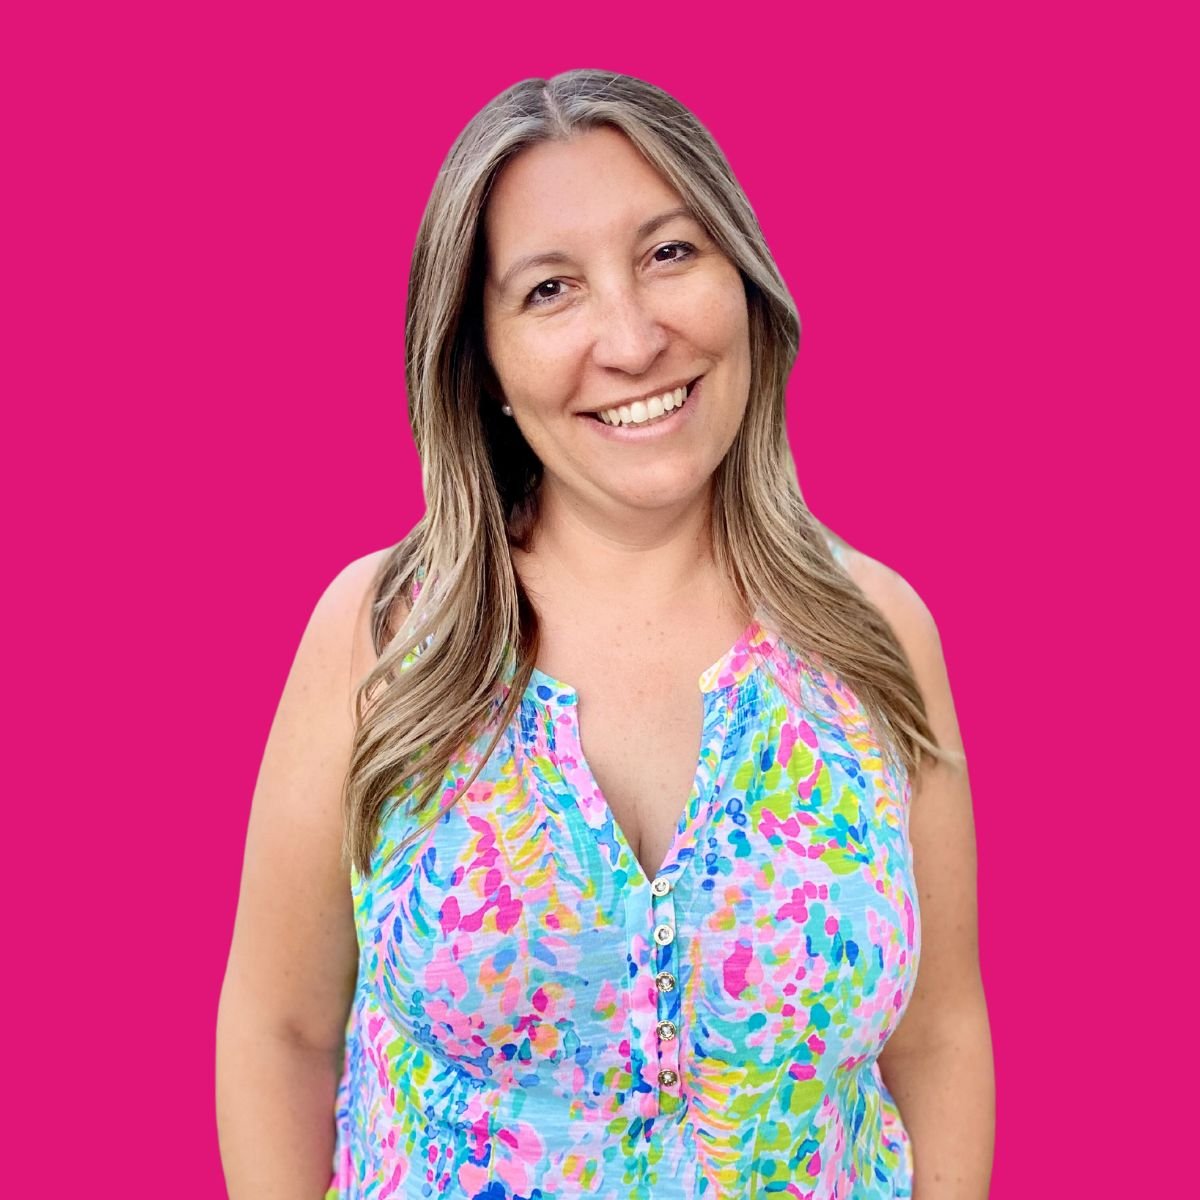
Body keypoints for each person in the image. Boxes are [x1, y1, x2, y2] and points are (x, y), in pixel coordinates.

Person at [216, 69, 994, 1199]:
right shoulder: (382, 633)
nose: (631, 340)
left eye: (671, 253)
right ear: (480, 363)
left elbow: (938, 1041)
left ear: (744, 280)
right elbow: (281, 1029)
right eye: (549, 291)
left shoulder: (877, 636)